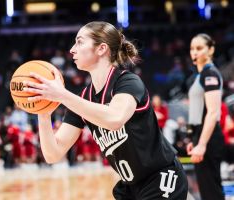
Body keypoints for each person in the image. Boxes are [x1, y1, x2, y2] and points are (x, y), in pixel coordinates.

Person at [23, 21, 188, 199]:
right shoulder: (83, 99)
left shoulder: (128, 82)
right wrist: (43, 112)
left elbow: (114, 119)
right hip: (130, 188)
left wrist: (62, 95)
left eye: (79, 42)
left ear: (101, 48)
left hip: (161, 177)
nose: (72, 49)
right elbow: (52, 154)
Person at [186, 33, 225, 200]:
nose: (194, 52)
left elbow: (213, 112)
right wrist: (192, 139)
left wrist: (201, 144)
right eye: (192, 48)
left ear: (211, 50)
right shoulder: (200, 75)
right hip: (199, 134)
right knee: (206, 188)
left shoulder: (210, 74)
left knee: (211, 189)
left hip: (208, 137)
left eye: (199, 48)